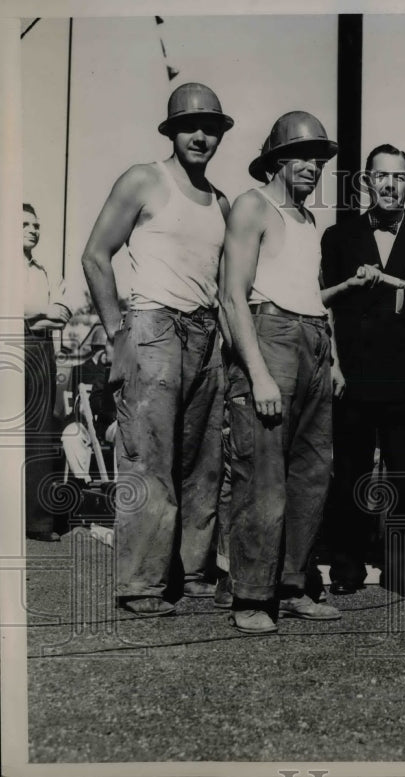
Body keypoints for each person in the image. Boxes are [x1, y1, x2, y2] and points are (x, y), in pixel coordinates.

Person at [81, 83, 232, 616]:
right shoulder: (145, 178)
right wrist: (118, 333)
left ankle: (193, 573)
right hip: (153, 327)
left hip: (206, 333)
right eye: (190, 126)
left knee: (203, 464)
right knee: (148, 461)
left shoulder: (220, 201)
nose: (201, 136)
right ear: (171, 131)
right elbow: (96, 255)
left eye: (210, 128)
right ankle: (141, 584)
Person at [219, 111, 342, 634]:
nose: (313, 167)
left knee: (312, 472)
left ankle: (291, 586)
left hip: (313, 340)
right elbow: (231, 294)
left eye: (319, 159)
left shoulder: (309, 221)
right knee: (261, 471)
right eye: (302, 156)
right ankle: (251, 596)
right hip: (270, 339)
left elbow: (313, 294)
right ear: (275, 160)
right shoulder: (253, 205)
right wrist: (259, 374)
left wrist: (332, 359)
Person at [320, 144, 405, 597]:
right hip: (351, 380)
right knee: (351, 474)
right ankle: (346, 570)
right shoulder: (337, 238)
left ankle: (402, 572)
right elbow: (328, 311)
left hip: (404, 382)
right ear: (366, 182)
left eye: (399, 177)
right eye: (382, 177)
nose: (390, 185)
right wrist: (335, 366)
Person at [22, 203, 72, 542]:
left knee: (40, 433)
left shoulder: (44, 269)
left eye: (37, 224)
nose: (33, 229)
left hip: (41, 349)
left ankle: (38, 523)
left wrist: (31, 314)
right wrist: (40, 311)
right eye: (25, 224)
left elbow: (63, 311)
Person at [61, 327, 117, 483]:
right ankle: (82, 481)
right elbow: (75, 403)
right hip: (86, 421)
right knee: (71, 434)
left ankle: (123, 483)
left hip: (107, 423)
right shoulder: (80, 370)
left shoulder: (117, 370)